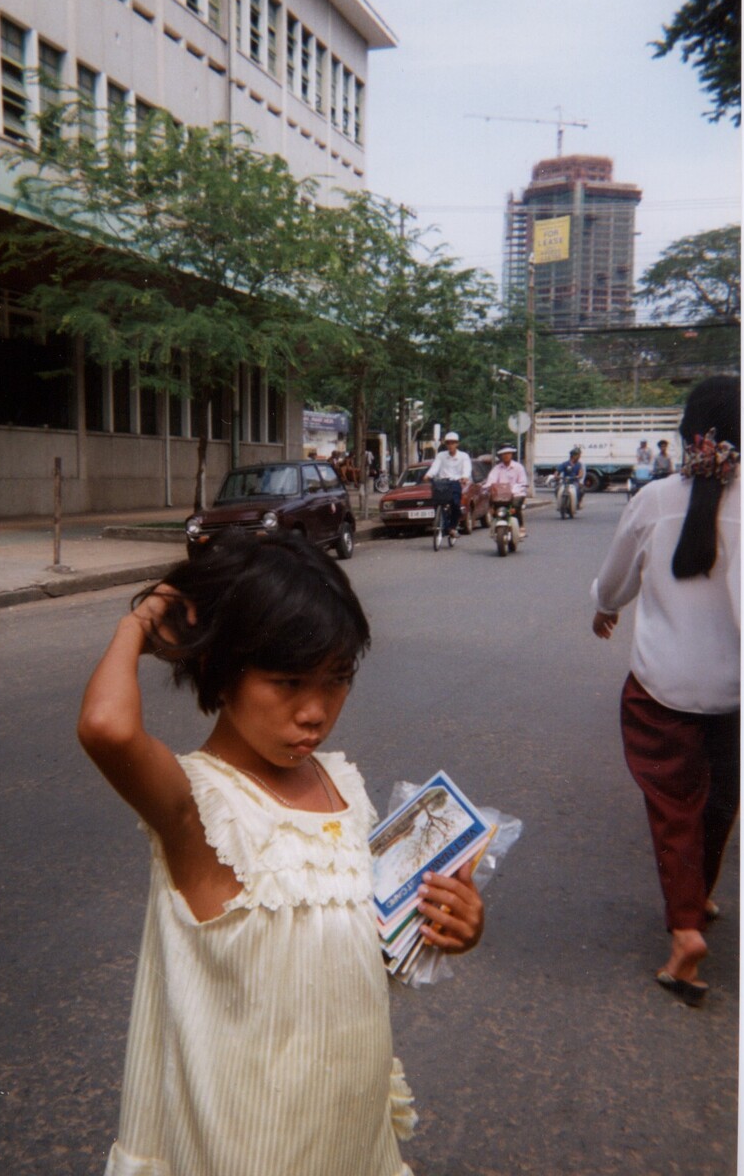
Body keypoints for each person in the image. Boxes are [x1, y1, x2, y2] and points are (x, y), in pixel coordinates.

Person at [78, 531, 484, 1176]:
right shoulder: (198, 808)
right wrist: (141, 621)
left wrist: (446, 924)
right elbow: (107, 728)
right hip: (247, 1143)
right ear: (219, 669)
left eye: (339, 679)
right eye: (288, 681)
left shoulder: (341, 785)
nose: (316, 712)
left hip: (347, 1128)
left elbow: (365, 942)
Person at [591, 377, 740, 1008]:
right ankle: (699, 894)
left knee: (675, 809)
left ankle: (685, 935)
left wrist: (604, 607)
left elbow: (615, 579)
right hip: (736, 694)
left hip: (662, 690)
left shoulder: (654, 500)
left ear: (685, 435)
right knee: (719, 800)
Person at [423, 431, 472, 537]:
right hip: (442, 483)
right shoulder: (441, 455)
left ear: (457, 444)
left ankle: (453, 527)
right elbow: (435, 467)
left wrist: (465, 477)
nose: (450, 445)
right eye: (448, 443)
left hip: (455, 483)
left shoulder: (463, 456)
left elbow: (467, 468)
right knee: (437, 503)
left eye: (453, 443)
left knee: (455, 504)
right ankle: (444, 525)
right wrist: (428, 475)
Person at [482, 444, 529, 534]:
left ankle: (520, 525)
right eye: (504, 454)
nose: (506, 455)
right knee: (493, 506)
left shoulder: (518, 467)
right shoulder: (497, 468)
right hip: (501, 495)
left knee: (515, 508)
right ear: (501, 456)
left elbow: (523, 482)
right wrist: (487, 486)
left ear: (511, 454)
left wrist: (515, 490)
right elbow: (491, 480)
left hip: (516, 493)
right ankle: (495, 523)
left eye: (508, 453)